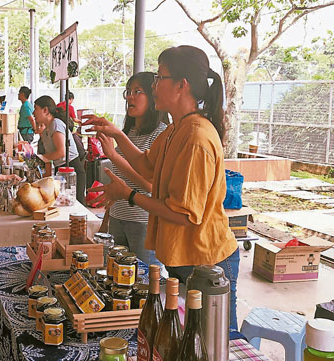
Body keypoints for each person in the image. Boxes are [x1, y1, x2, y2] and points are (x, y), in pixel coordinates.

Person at [85, 45, 240, 331]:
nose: (153, 85)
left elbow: (182, 214)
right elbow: (146, 165)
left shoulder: (196, 138)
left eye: (160, 77)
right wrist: (117, 133)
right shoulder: (176, 130)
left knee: (215, 340)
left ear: (182, 85)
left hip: (207, 262)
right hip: (185, 257)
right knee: (187, 337)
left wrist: (129, 194)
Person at [97, 72, 167, 269]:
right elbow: (118, 183)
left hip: (143, 222)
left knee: (146, 282)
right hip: (118, 218)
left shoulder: (160, 134)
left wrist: (114, 156)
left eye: (137, 91)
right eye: (128, 92)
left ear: (153, 96)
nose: (130, 97)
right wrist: (106, 222)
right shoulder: (128, 133)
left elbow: (150, 186)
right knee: (117, 279)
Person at [33, 95, 86, 205]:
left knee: (75, 206)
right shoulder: (46, 128)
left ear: (45, 110)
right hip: (60, 170)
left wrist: (40, 159)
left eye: (36, 109)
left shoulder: (56, 124)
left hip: (72, 170)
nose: (33, 113)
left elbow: (61, 152)